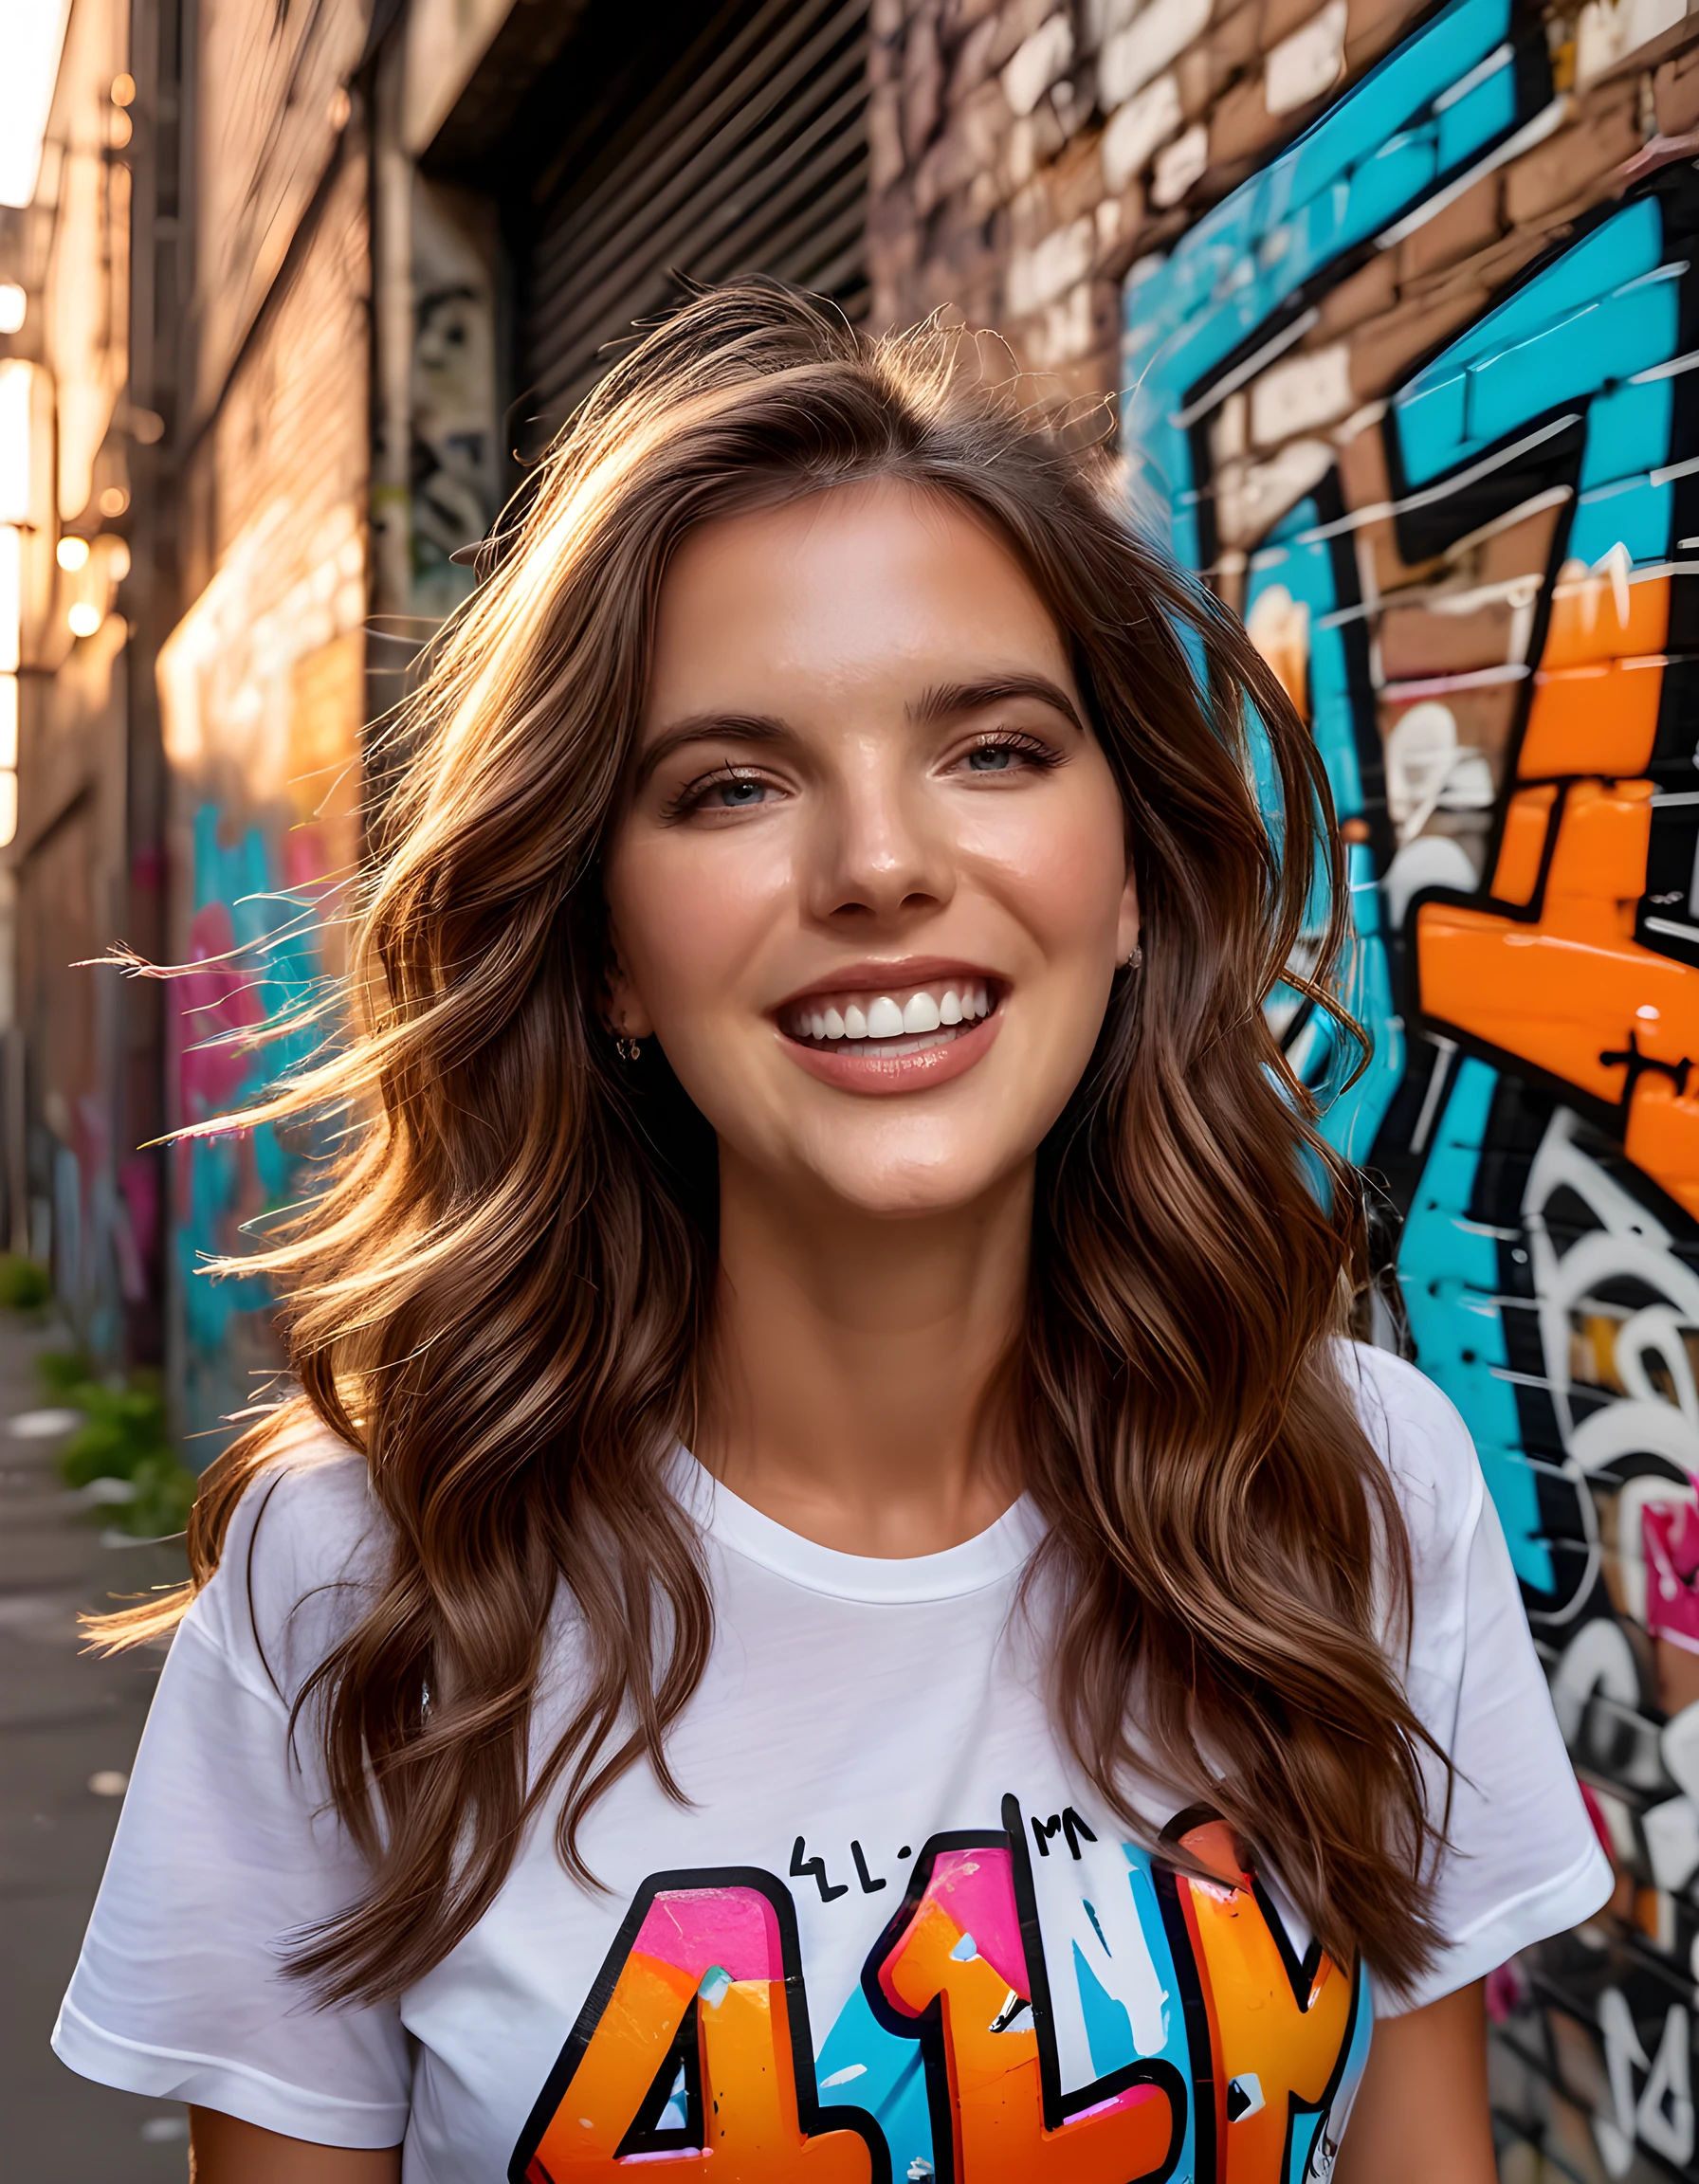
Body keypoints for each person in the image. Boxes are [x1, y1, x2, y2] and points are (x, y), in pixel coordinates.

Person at [54, 282, 1608, 2184]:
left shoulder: (1356, 1488)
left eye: (994, 752)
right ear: (610, 953)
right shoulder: (369, 1590)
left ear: (1127, 882)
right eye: (731, 785)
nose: (877, 864)